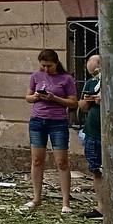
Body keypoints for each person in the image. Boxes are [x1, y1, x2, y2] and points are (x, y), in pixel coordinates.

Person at [22, 48, 78, 214]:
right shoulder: (35, 76)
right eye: (43, 66)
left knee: (61, 161)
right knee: (37, 160)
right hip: (38, 121)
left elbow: (73, 103)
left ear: (56, 63)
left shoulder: (66, 79)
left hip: (58, 122)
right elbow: (27, 97)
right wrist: (37, 97)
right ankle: (36, 197)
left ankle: (66, 201)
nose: (46, 69)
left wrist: (55, 98)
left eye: (49, 66)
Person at [78, 53, 103, 217]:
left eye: (96, 71)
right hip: (92, 132)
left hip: (112, 134)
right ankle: (102, 207)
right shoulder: (91, 82)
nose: (95, 74)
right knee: (96, 170)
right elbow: (82, 107)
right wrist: (87, 101)